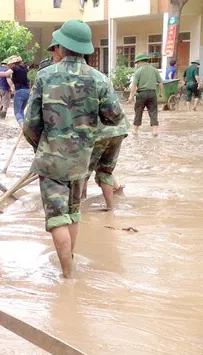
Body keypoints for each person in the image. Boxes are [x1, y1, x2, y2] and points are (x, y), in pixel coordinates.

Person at [24, 20, 124, 278]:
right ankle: (70, 266)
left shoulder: (45, 76)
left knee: (56, 217)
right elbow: (115, 117)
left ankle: (67, 274)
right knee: (73, 212)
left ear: (61, 46)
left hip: (51, 159)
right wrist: (86, 129)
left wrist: (42, 147)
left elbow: (31, 124)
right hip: (81, 159)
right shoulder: (99, 79)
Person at [128, 53, 161, 137]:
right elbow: (161, 83)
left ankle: (135, 131)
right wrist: (160, 93)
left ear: (139, 62)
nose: (137, 65)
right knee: (153, 112)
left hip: (141, 94)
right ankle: (154, 131)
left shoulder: (138, 71)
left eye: (137, 63)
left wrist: (131, 97)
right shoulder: (154, 70)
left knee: (138, 111)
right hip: (152, 93)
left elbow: (134, 85)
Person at [5, 55, 31, 124]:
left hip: (19, 91)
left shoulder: (14, 68)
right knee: (21, 111)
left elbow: (7, 76)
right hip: (27, 91)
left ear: (13, 63)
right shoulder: (24, 68)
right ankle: (24, 129)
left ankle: (22, 127)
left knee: (17, 113)